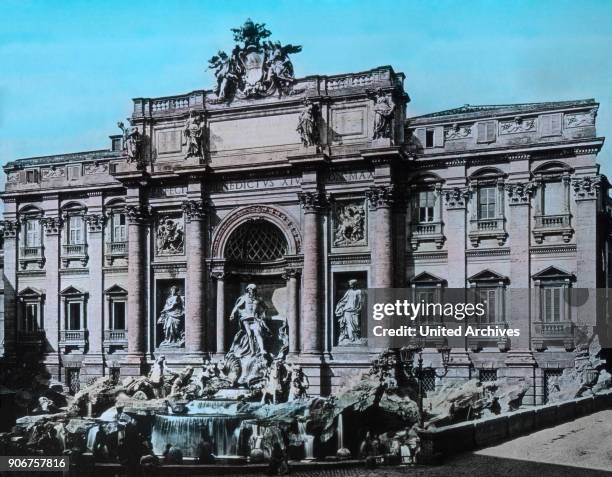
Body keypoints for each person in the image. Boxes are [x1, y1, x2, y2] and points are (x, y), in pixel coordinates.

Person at [227, 284, 269, 357]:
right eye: (249, 289)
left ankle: (262, 349)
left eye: (252, 289)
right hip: (246, 318)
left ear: (254, 290)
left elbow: (265, 307)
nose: (250, 291)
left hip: (255, 318)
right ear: (247, 290)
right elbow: (237, 306)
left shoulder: (259, 299)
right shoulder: (244, 298)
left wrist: (263, 314)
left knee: (257, 333)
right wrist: (232, 314)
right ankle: (252, 351)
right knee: (249, 334)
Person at [335, 279, 364, 344]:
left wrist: (360, 308)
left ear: (354, 284)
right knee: (349, 325)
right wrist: (339, 306)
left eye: (351, 284)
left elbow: (361, 301)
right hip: (347, 310)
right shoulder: (349, 291)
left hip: (355, 311)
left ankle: (356, 338)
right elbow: (344, 300)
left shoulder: (359, 291)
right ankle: (351, 339)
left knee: (356, 325)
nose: (350, 285)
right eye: (350, 284)